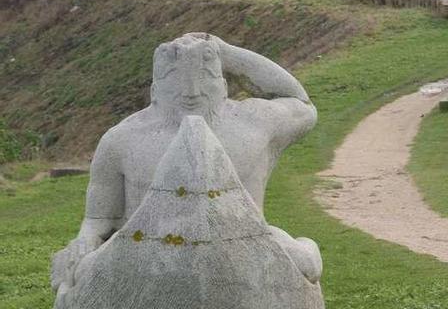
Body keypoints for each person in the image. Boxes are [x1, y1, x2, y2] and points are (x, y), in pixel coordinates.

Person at [51, 32, 319, 292]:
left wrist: (227, 54)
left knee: (304, 263)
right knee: (81, 272)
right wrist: (84, 241)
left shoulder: (254, 123)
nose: (191, 92)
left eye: (205, 78)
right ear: (155, 90)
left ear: (224, 86)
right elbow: (99, 218)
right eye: (176, 81)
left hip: (244, 246)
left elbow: (301, 104)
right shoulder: (121, 140)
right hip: (144, 254)